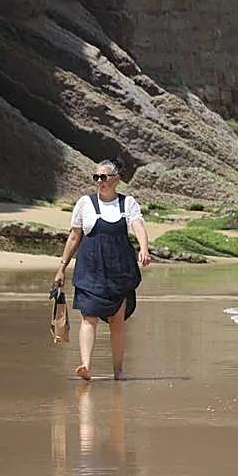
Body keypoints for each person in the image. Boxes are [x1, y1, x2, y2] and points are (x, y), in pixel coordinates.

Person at [53, 159, 151, 381]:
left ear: (116, 179)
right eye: (96, 178)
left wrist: (144, 249)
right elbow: (74, 236)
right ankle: (86, 366)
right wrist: (62, 268)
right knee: (89, 318)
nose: (99, 182)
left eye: (104, 177)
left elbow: (138, 226)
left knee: (117, 321)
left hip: (119, 269)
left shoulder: (128, 203)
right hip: (90, 269)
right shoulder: (84, 204)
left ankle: (118, 371)